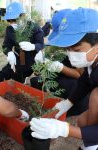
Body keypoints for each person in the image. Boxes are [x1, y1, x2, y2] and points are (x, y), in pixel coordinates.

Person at [30, 8, 98, 150]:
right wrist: (68, 102)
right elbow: (85, 81)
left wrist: (64, 129)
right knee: (82, 121)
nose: (71, 55)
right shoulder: (92, 62)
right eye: (68, 49)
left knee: (96, 98)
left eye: (77, 50)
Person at [0, 2, 44, 83]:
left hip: (33, 60)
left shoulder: (35, 28)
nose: (12, 23)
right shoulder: (10, 29)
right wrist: (9, 53)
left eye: (14, 20)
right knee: (0, 75)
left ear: (23, 16)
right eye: (9, 21)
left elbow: (41, 44)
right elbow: (6, 45)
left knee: (31, 81)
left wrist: (34, 46)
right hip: (17, 60)